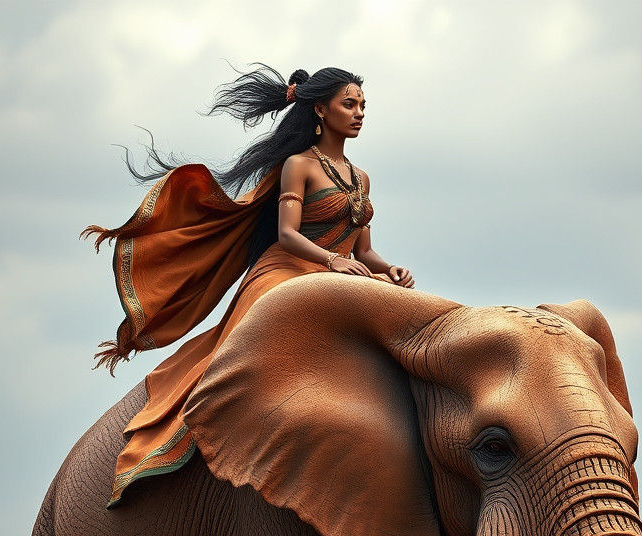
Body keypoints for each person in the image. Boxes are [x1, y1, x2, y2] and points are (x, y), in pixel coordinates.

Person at [83, 65, 415, 506]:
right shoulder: (299, 165)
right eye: (349, 104)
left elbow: (364, 252)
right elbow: (288, 235)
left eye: (362, 106)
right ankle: (207, 412)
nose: (359, 114)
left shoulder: (361, 178)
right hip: (288, 269)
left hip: (339, 272)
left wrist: (389, 269)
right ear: (320, 109)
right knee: (256, 342)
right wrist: (332, 260)